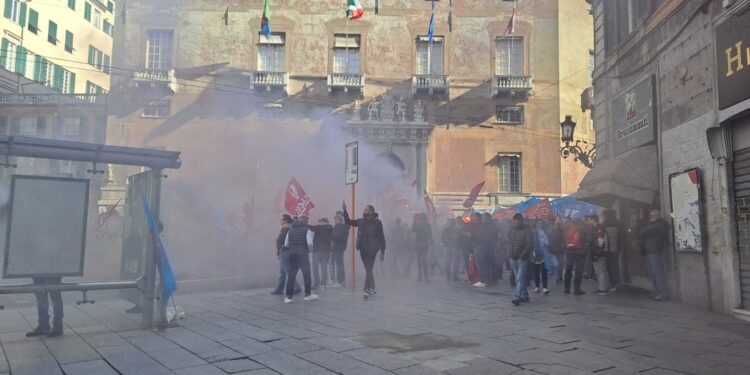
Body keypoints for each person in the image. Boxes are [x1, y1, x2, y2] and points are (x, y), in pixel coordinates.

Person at [342, 203, 386, 296]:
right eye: (364, 210)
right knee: (368, 269)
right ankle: (371, 288)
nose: (364, 211)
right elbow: (348, 221)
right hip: (363, 248)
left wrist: (383, 251)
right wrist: (345, 211)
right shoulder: (361, 221)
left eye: (366, 210)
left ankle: (366, 289)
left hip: (373, 249)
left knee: (369, 268)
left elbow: (381, 237)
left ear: (371, 211)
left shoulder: (377, 222)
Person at [282, 217, 319, 303]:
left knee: (291, 276)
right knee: (306, 275)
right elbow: (309, 243)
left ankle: (288, 297)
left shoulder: (290, 231)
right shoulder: (307, 230)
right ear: (304, 223)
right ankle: (307, 294)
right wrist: (309, 250)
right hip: (303, 255)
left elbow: (286, 244)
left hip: (292, 255)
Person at [639, 209, 669, 301]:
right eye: (651, 215)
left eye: (654, 215)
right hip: (649, 251)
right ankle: (656, 292)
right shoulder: (652, 225)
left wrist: (647, 226)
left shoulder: (661, 225)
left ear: (659, 216)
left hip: (655, 251)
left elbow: (644, 232)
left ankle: (662, 294)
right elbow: (641, 233)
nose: (652, 217)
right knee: (653, 273)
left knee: (657, 273)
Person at [272, 215, 301, 295]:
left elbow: (286, 241)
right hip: (283, 252)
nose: (280, 220)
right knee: (282, 272)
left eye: (281, 219)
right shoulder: (286, 228)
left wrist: (282, 247)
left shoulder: (287, 229)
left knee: (288, 271)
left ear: (285, 220)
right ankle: (279, 289)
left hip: (285, 252)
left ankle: (296, 287)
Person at [508, 214, 534, 305]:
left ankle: (517, 296)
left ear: (521, 221)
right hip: (513, 257)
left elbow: (529, 244)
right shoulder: (512, 231)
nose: (514, 223)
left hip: (522, 258)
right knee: (519, 278)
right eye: (513, 221)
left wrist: (523, 255)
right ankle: (524, 295)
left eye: (516, 221)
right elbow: (509, 242)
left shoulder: (527, 231)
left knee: (519, 278)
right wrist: (509, 253)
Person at [563, 218, 588, 295]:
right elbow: (585, 241)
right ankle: (577, 290)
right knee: (578, 272)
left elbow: (564, 240)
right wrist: (585, 250)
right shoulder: (582, 230)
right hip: (580, 253)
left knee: (568, 270)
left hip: (569, 252)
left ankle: (566, 288)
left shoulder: (567, 229)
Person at [474, 212, 498, 287]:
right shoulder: (492, 224)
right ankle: (491, 280)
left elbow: (482, 236)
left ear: (486, 218)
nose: (482, 218)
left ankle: (484, 280)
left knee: (482, 263)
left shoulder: (484, 226)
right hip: (489, 246)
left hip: (484, 246)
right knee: (488, 264)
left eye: (483, 217)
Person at [589, 215, 610, 295]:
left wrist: (597, 253)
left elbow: (601, 242)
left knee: (600, 271)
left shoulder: (599, 229)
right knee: (602, 271)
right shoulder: (597, 229)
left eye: (590, 219)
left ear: (593, 220)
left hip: (599, 253)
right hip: (598, 252)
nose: (589, 221)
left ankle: (602, 288)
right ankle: (605, 287)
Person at [310, 218, 333, 290]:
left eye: (320, 222)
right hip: (326, 251)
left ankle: (316, 284)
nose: (319, 223)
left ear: (323, 222)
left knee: (315, 268)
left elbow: (310, 227)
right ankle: (323, 284)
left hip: (317, 251)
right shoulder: (330, 229)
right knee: (324, 268)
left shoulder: (319, 227)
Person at [602, 210, 621, 292]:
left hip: (609, 248)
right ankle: (617, 282)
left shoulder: (605, 223)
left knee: (610, 266)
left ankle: (613, 283)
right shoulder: (618, 222)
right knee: (614, 265)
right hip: (616, 247)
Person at [412, 213, 433, 282]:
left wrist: (431, 241)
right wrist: (414, 221)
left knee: (423, 260)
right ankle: (420, 276)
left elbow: (430, 233)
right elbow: (412, 230)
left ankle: (425, 276)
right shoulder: (417, 224)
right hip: (418, 244)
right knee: (419, 261)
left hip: (424, 243)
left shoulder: (427, 225)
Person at [331, 213, 349, 286]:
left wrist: (333, 237)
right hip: (334, 248)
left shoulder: (343, 227)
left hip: (340, 248)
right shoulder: (336, 227)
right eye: (335, 219)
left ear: (341, 220)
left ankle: (341, 280)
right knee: (335, 263)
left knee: (340, 264)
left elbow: (341, 237)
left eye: (337, 219)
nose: (335, 220)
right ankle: (336, 280)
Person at [532, 220, 550, 294]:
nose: (539, 225)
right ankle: (537, 286)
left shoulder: (545, 233)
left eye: (540, 224)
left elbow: (548, 243)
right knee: (536, 271)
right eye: (537, 224)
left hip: (544, 254)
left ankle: (545, 287)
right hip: (535, 255)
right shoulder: (533, 233)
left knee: (544, 271)